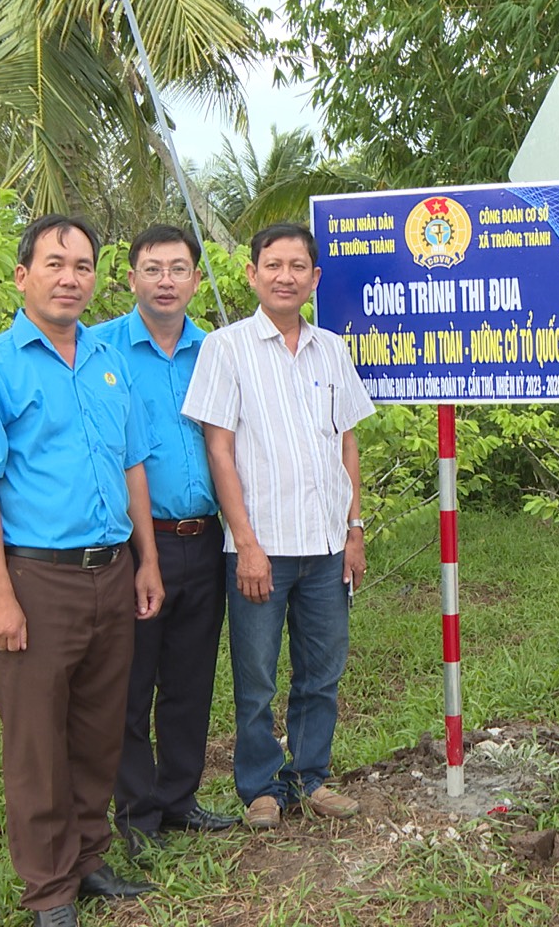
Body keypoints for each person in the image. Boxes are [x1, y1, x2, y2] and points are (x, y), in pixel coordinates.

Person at [0, 216, 165, 927]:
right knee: (37, 742)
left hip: (112, 570)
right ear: (22, 276)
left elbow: (132, 465)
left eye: (82, 265)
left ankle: (90, 859)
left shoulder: (108, 359)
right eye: (54, 264)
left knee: (99, 729)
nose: (70, 277)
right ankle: (49, 893)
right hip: (37, 580)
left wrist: (145, 561)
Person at [181, 222, 375, 830]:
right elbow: (220, 450)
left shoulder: (332, 350)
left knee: (322, 671)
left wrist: (354, 529)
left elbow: (347, 443)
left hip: (324, 546)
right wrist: (245, 544)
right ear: (252, 273)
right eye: (273, 264)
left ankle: (311, 776)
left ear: (315, 279)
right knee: (257, 677)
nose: (285, 276)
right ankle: (260, 785)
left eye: (298, 266)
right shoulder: (226, 348)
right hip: (261, 547)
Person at [91, 225, 237, 858]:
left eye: (179, 269)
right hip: (132, 543)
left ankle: (179, 799)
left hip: (205, 537)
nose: (166, 281)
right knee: (130, 678)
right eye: (153, 269)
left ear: (197, 280)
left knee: (191, 676)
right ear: (130, 278)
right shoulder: (98, 351)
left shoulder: (220, 350)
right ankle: (136, 811)